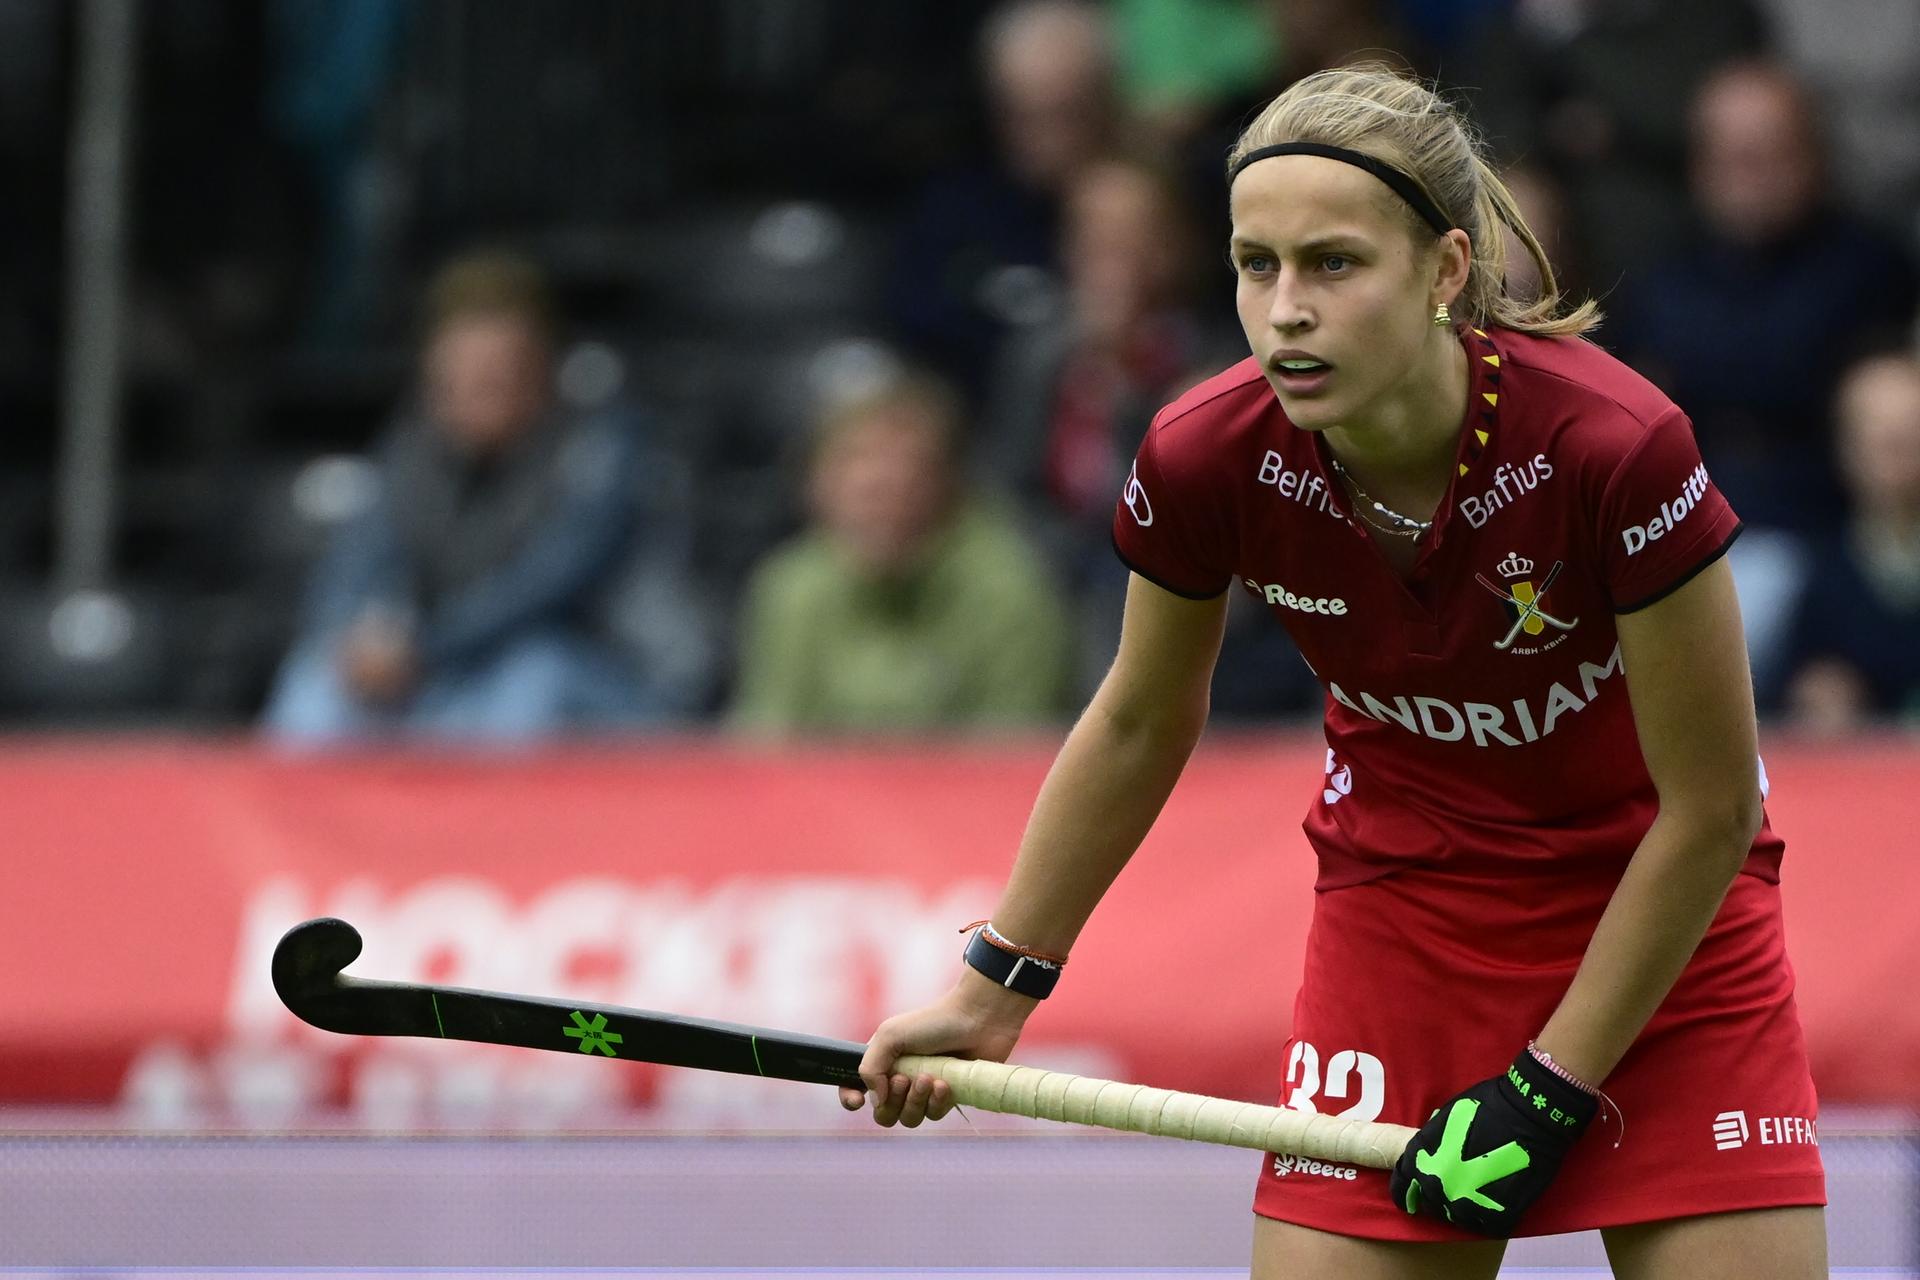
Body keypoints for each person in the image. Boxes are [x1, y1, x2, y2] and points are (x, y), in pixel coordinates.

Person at [842, 64, 1827, 1278]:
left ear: (1446, 270)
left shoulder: (1612, 448)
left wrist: (1554, 1081)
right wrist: (996, 984)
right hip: (1404, 929)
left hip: (1662, 933)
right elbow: (1141, 718)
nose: (1286, 309)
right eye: (1258, 265)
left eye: (1335, 263)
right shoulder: (1208, 456)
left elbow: (1714, 806)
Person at [262, 251, 648, 745]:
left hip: (600, 678)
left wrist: (423, 649)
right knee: (317, 681)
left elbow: (546, 588)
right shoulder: (414, 448)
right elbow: (360, 555)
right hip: (449, 671)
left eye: (494, 379)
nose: (471, 395)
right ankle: (288, 823)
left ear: (538, 376)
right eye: (456, 379)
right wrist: (353, 636)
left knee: (532, 677)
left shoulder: (595, 449)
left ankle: (491, 825)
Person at [1608, 60, 1919, 531]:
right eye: (1731, 156)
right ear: (1698, 166)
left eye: (1770, 153)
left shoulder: (1872, 268)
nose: (1749, 176)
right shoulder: (1657, 277)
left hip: (1833, 528)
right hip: (1686, 527)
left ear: (1815, 155)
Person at [729, 371, 1074, 736]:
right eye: (854, 459)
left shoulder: (1009, 591)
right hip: (815, 793)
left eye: (905, 461)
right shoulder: (790, 588)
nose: (879, 482)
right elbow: (764, 751)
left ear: (948, 480)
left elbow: (1017, 759)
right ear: (814, 483)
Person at [1775, 351, 1920, 730]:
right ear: (1847, 450)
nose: (1899, 449)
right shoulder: (1826, 577)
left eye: (1910, 428)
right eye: (1879, 434)